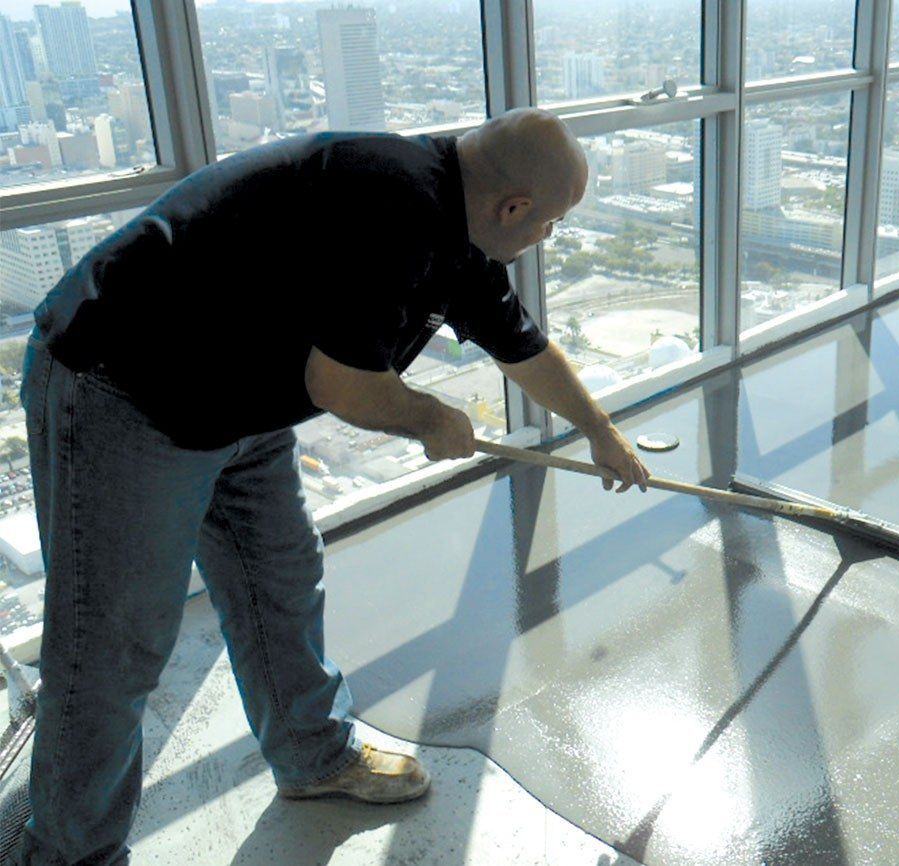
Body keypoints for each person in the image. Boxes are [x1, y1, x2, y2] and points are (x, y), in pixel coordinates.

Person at [14, 108, 649, 866]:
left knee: (279, 578)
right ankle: (68, 856)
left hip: (238, 394)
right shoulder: (394, 207)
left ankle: (312, 755)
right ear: (513, 207)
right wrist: (431, 418)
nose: (548, 237)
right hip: (126, 385)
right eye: (551, 223)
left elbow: (524, 348)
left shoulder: (457, 229)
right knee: (115, 643)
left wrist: (599, 430)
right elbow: (342, 384)